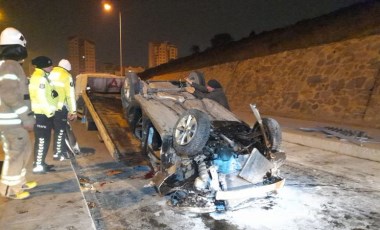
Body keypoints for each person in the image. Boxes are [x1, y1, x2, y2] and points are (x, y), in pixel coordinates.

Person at [0, 27, 37, 199]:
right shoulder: (10, 65)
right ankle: (8, 188)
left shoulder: (10, 65)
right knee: (15, 153)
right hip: (11, 121)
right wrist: (26, 117)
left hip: (13, 121)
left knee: (25, 149)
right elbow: (8, 94)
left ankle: (19, 182)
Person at [29, 56, 58, 173]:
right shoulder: (40, 78)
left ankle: (41, 162)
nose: (52, 67)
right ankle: (38, 166)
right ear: (44, 66)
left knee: (45, 140)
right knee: (42, 140)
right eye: (50, 65)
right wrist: (50, 113)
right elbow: (41, 98)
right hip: (42, 114)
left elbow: (47, 94)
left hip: (45, 114)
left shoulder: (43, 77)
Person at [48, 59, 77, 161]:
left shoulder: (49, 73)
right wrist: (73, 111)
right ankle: (58, 153)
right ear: (67, 68)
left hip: (48, 108)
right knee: (60, 131)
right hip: (60, 108)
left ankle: (58, 152)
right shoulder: (66, 76)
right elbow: (70, 96)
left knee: (55, 131)